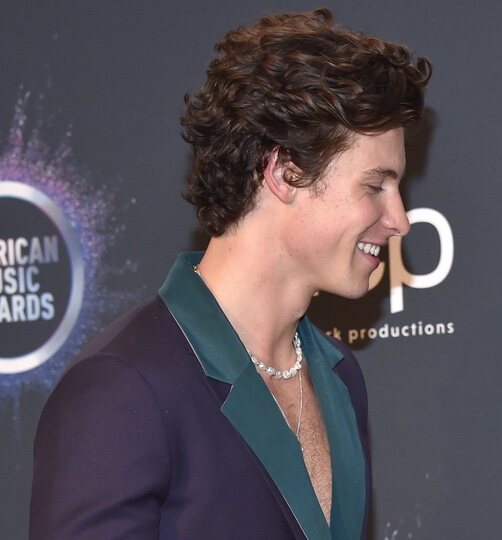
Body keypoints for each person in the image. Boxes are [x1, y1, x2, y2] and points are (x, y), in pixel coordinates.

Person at [30, 9, 430, 540]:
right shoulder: (123, 388)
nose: (400, 220)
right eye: (375, 186)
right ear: (284, 173)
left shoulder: (339, 377)